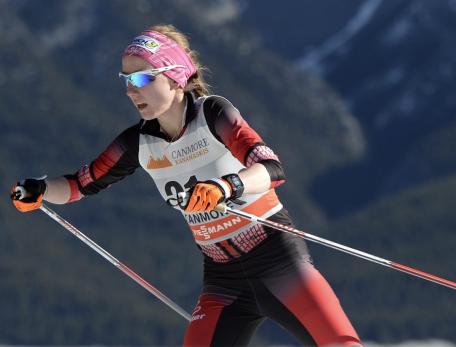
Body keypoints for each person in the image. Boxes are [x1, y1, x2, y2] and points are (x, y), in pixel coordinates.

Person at [10, 24, 362, 347]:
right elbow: (77, 185)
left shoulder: (213, 114)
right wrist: (38, 189)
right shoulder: (138, 142)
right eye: (127, 80)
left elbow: (270, 168)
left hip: (278, 261)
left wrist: (226, 187)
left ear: (176, 79)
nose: (132, 91)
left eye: (144, 79)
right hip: (223, 281)